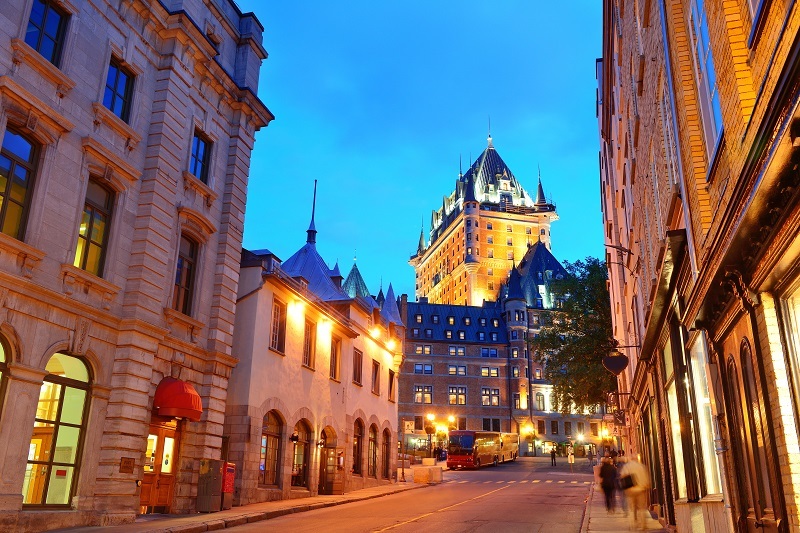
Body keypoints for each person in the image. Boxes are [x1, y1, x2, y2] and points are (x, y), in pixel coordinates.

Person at [619, 457, 652, 530]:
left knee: (631, 508)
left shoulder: (627, 467)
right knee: (641, 508)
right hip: (641, 489)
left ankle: (633, 525)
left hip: (630, 490)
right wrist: (646, 486)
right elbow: (646, 478)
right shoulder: (642, 467)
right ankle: (643, 525)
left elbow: (622, 477)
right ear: (637, 459)